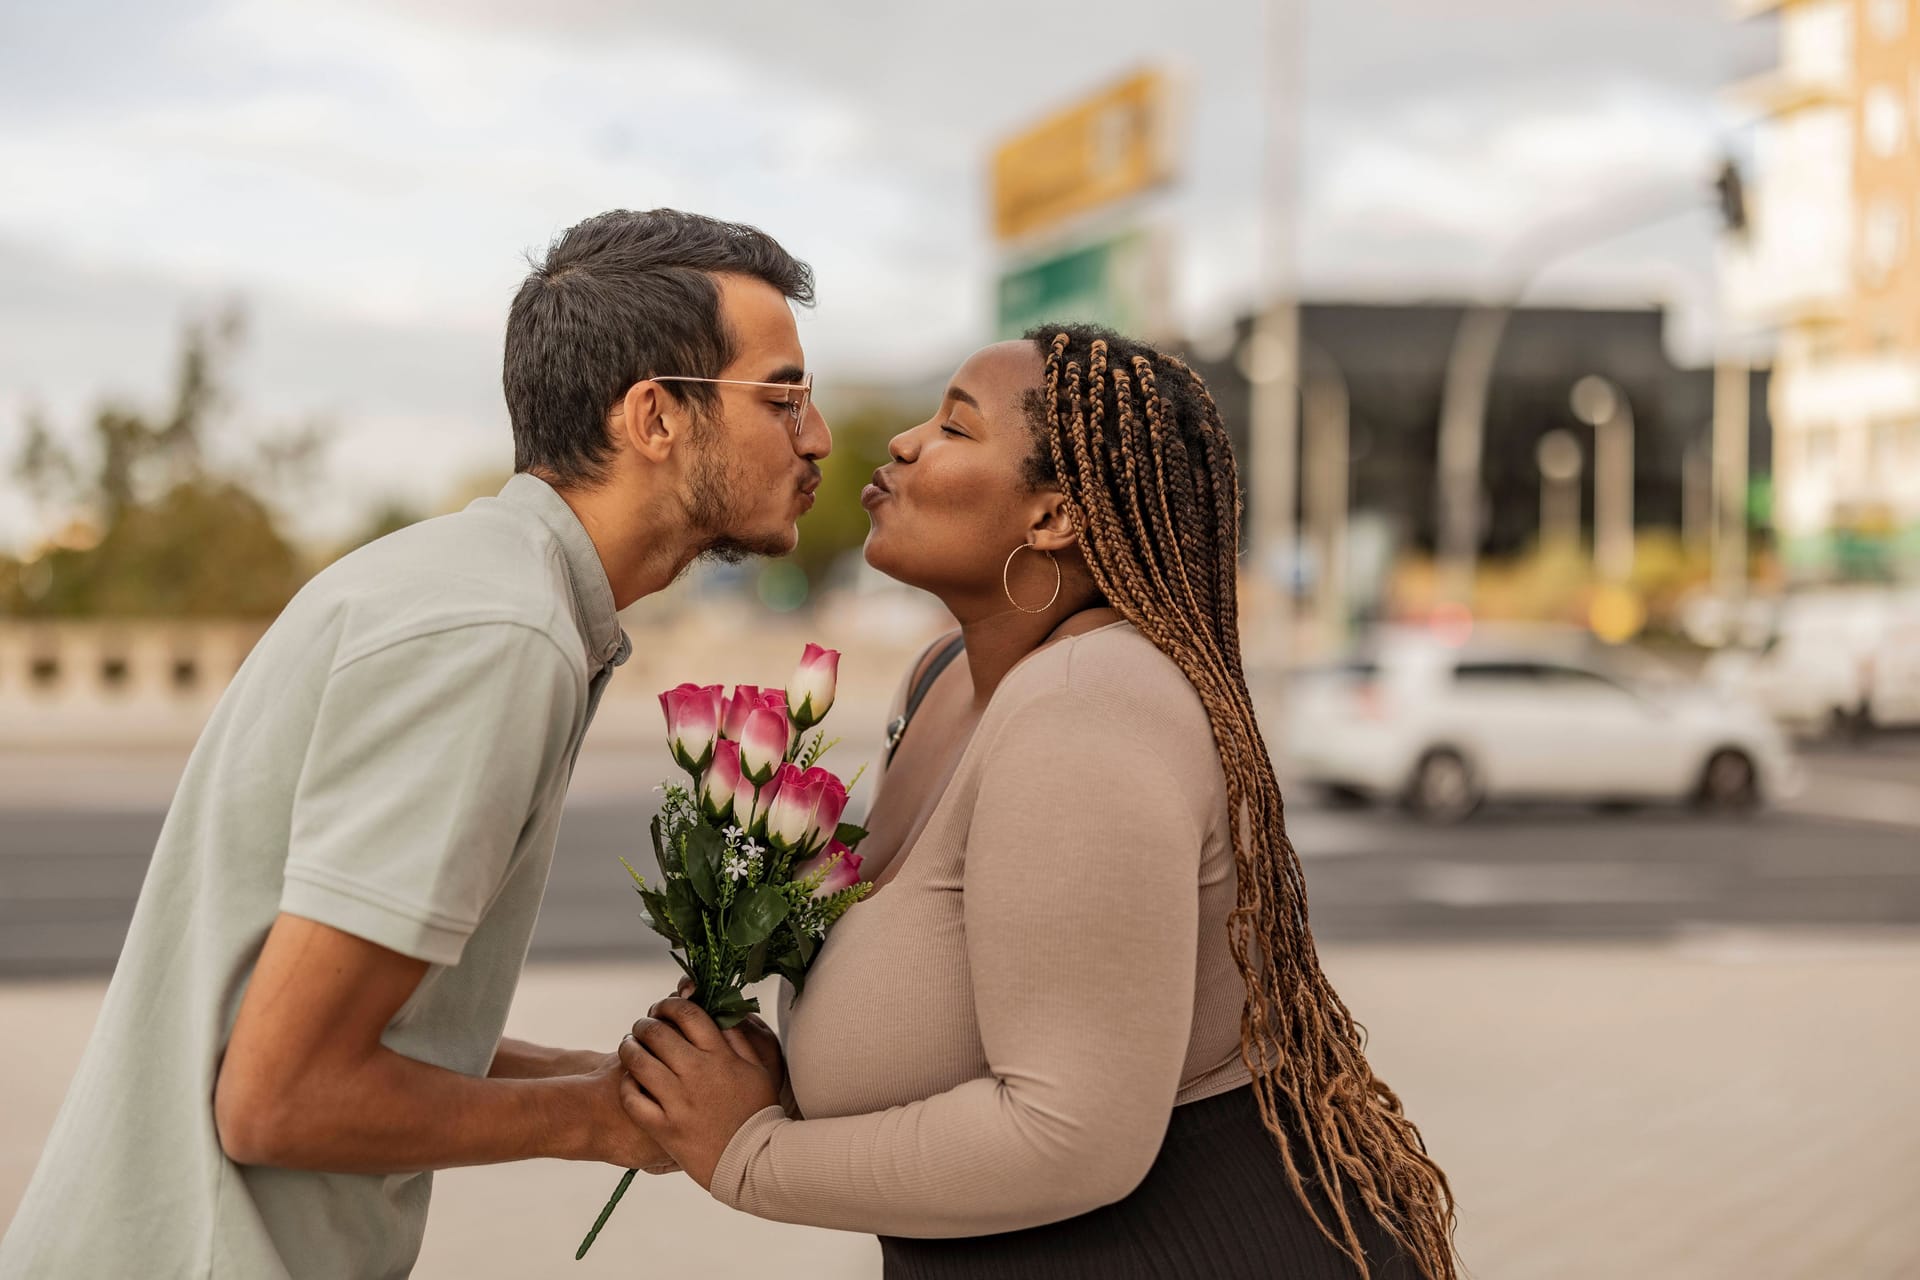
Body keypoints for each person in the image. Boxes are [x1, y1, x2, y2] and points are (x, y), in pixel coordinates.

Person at [0, 208, 827, 1279]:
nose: (814, 436)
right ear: (656, 416)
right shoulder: (498, 635)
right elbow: (279, 1098)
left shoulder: (475, 587)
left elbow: (353, 1035)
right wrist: (597, 1121)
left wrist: (614, 1079)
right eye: (784, 395)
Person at [618, 325, 1461, 1279]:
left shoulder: (1082, 711)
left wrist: (750, 1155)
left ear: (1054, 517)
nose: (902, 442)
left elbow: (1071, 1136)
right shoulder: (943, 680)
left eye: (954, 428)